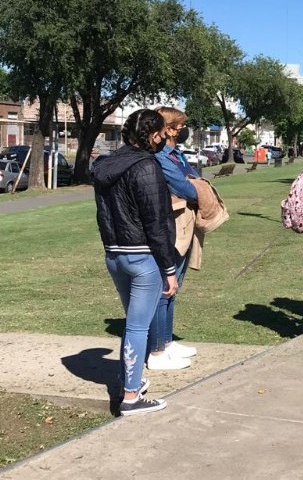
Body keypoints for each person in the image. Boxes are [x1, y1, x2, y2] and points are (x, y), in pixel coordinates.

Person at [93, 109, 178, 416]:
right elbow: (156, 222)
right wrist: (169, 268)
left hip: (115, 253)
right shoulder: (146, 165)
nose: (163, 139)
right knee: (137, 326)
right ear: (153, 134)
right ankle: (131, 397)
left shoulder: (103, 165)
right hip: (143, 256)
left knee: (133, 322)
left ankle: (128, 381)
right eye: (161, 134)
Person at [146, 107, 199, 370]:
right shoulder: (160, 157)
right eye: (179, 127)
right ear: (167, 128)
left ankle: (166, 341)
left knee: (174, 284)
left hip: (183, 223)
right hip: (170, 225)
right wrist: (196, 187)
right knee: (164, 288)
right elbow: (187, 187)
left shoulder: (175, 154)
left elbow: (196, 179)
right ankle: (156, 351)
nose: (182, 132)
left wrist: (196, 185)